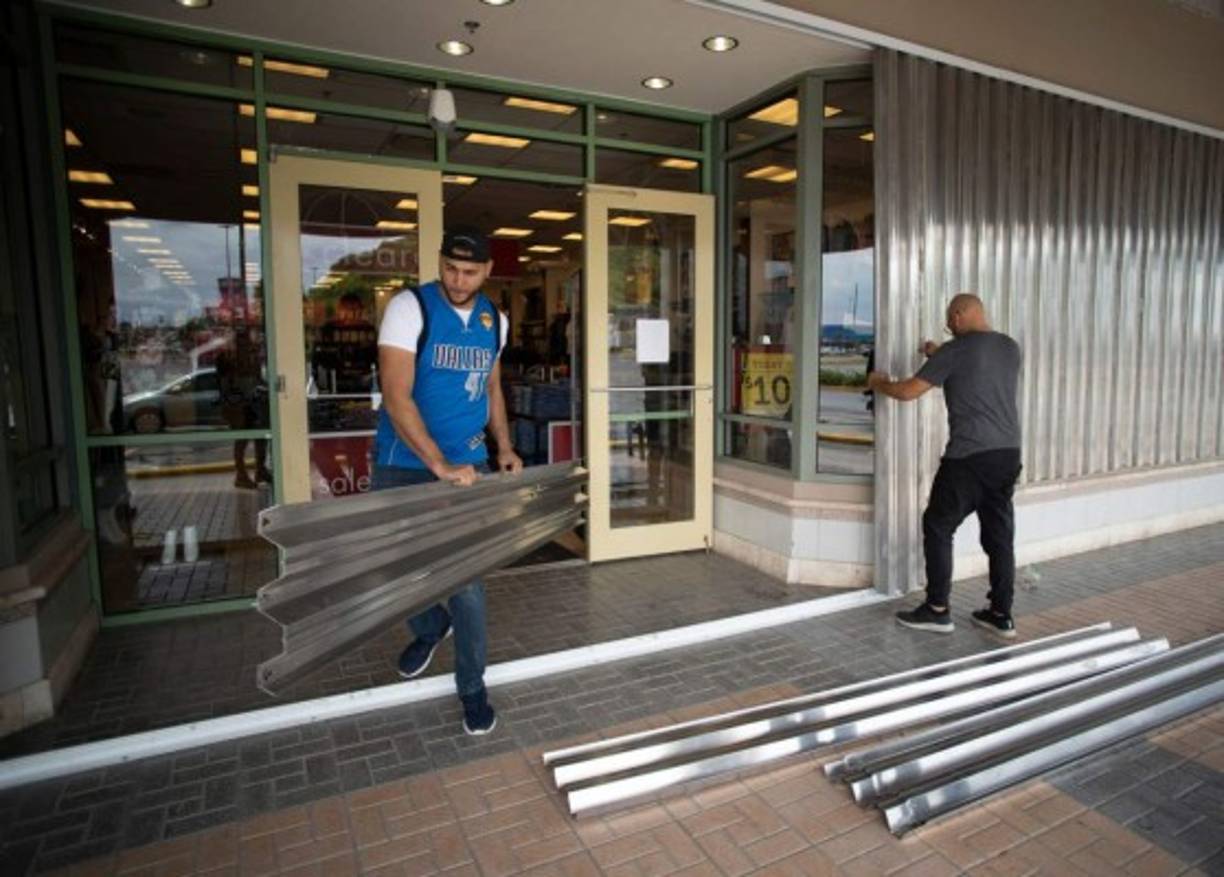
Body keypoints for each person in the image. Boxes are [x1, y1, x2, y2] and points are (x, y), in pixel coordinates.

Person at [372, 225, 521, 736]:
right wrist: (436, 464)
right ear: (440, 263)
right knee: (394, 568)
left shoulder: (494, 321)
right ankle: (429, 626)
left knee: (466, 583)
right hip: (402, 463)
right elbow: (396, 397)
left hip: (468, 464)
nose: (459, 280)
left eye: (470, 271)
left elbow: (492, 388)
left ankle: (472, 687)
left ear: (487, 272)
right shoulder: (409, 308)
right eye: (451, 268)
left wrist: (503, 447)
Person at [867, 293, 1023, 638]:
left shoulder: (957, 350)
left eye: (950, 321)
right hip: (1007, 455)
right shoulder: (1009, 348)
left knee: (938, 524)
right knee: (999, 535)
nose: (949, 327)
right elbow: (974, 366)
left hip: (969, 457)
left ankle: (937, 609)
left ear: (959, 315)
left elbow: (908, 391)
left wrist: (878, 383)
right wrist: (938, 354)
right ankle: (1001, 613)